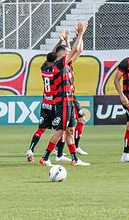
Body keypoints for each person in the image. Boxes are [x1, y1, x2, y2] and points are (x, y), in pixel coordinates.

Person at [38, 21, 89, 167]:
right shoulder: (59, 65)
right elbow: (73, 50)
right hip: (62, 101)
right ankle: (45, 157)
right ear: (61, 56)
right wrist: (80, 34)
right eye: (66, 52)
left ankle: (74, 159)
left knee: (70, 130)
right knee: (61, 130)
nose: (69, 53)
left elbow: (78, 51)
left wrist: (77, 37)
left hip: (69, 100)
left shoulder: (65, 64)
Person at [26, 50, 58, 163]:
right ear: (55, 61)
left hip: (45, 103)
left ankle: (30, 150)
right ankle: (57, 151)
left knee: (41, 129)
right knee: (60, 128)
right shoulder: (56, 70)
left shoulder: (43, 69)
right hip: (54, 103)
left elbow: (49, 59)